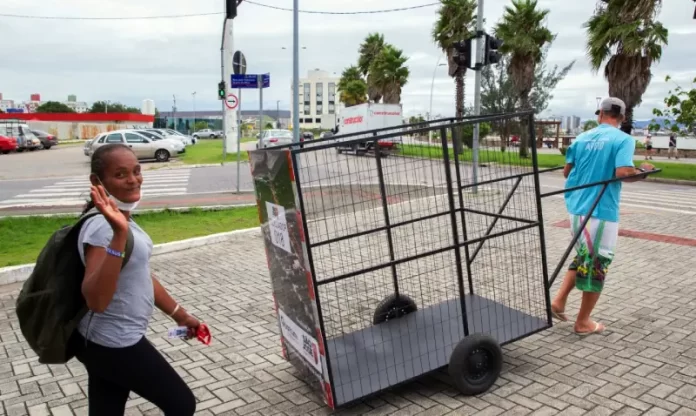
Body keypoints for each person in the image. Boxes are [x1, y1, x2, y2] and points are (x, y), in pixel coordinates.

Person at [72, 143, 199, 415]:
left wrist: (180, 315)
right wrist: (119, 234)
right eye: (120, 174)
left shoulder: (121, 218)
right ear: (98, 181)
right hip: (113, 343)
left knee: (106, 409)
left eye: (137, 171)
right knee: (181, 404)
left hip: (101, 343)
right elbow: (96, 300)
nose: (133, 180)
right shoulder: (103, 228)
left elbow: (138, 273)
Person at [550, 98, 653, 335]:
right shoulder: (624, 140)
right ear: (622, 118)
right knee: (598, 262)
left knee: (584, 256)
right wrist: (643, 173)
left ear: (600, 115)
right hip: (601, 209)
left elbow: (567, 172)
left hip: (576, 208)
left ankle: (558, 302)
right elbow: (623, 173)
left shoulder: (581, 138)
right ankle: (583, 322)